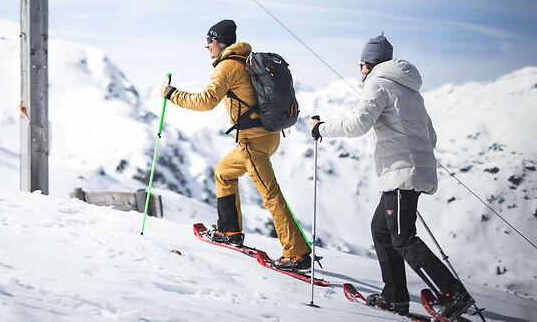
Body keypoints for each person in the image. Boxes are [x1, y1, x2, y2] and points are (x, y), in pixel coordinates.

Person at [309, 34, 473, 320]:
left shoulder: (377, 83)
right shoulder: (410, 90)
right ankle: (394, 297)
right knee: (382, 230)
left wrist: (321, 128)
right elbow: (430, 136)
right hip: (412, 171)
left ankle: (451, 293)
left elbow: (359, 123)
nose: (360, 71)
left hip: (401, 173)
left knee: (402, 237)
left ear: (367, 64)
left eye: (361, 65)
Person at [160, 19, 311, 270]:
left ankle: (297, 254)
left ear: (220, 42)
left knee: (269, 193)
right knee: (224, 171)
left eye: (210, 41)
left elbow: (206, 101)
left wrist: (172, 94)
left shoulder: (228, 66)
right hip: (268, 135)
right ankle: (229, 231)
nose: (207, 46)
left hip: (253, 141)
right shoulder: (246, 59)